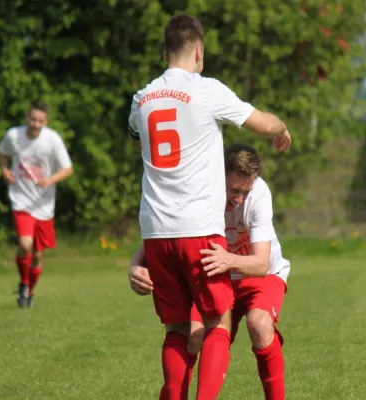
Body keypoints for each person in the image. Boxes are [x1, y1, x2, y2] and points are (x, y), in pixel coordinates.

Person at [127, 14, 291, 400]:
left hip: (156, 232)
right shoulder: (206, 90)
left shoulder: (141, 100)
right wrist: (281, 127)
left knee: (178, 330)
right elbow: (262, 125)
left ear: (164, 51)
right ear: (198, 50)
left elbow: (138, 137)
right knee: (218, 320)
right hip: (198, 227)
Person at [129, 144, 290, 399]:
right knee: (192, 335)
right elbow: (170, 230)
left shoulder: (259, 194)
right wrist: (136, 264)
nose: (238, 199)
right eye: (233, 190)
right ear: (217, 177)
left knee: (259, 325)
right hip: (216, 275)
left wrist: (228, 259)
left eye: (244, 192)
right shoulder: (201, 191)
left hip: (259, 276)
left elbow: (260, 264)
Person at [0, 101, 73, 308]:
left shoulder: (52, 140)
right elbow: (3, 152)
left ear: (46, 121)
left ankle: (29, 293)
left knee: (38, 255)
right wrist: (5, 171)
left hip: (44, 205)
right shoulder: (14, 136)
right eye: (33, 119)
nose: (36, 124)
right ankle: (23, 282)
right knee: (25, 244)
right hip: (21, 200)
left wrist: (49, 180)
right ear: (26, 118)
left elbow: (67, 169)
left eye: (40, 121)